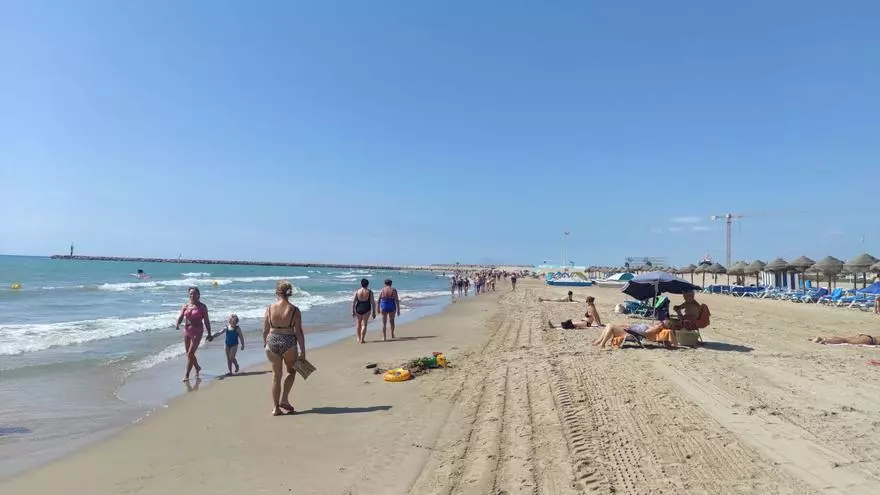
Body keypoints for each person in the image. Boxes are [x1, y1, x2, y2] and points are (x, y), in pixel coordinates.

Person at [263, 280, 306, 416]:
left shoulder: (269, 308)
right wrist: (303, 351)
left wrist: (266, 343)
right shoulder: (294, 310)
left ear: (277, 292)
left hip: (272, 340)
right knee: (292, 371)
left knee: (276, 376)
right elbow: (299, 332)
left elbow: (265, 330)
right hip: (288, 341)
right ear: (290, 293)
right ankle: (284, 399)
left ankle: (276, 408)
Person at [175, 286, 212, 381]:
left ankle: (187, 375)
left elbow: (207, 321)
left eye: (195, 293)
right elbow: (181, 316)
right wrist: (177, 324)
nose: (192, 295)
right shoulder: (185, 306)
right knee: (188, 353)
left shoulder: (202, 307)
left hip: (197, 331)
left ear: (198, 295)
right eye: (191, 293)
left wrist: (209, 333)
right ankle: (197, 368)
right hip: (187, 331)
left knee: (190, 353)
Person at [590, 321, 677, 348]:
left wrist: (631, 330)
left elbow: (644, 334)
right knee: (609, 325)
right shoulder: (652, 326)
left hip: (631, 334)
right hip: (630, 330)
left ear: (662, 326)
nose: (660, 322)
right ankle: (599, 342)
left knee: (610, 326)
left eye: (662, 323)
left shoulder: (655, 329)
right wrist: (626, 325)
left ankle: (602, 344)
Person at [352, 278, 376, 343]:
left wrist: (353, 311)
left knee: (358, 323)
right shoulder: (370, 292)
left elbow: (354, 302)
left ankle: (358, 338)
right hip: (366, 308)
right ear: (367, 284)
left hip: (358, 308)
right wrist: (374, 312)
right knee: (364, 324)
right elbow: (372, 302)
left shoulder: (357, 291)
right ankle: (362, 339)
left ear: (361, 284)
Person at [812, 334, 880, 345]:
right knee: (845, 340)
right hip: (869, 340)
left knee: (845, 339)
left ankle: (822, 339)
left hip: (867, 337)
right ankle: (825, 341)